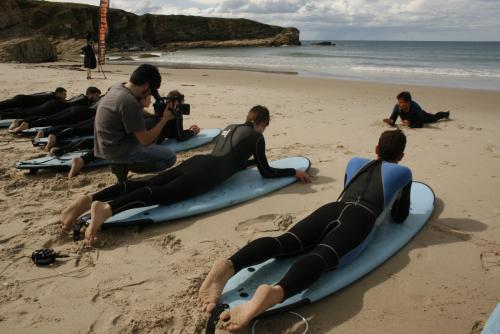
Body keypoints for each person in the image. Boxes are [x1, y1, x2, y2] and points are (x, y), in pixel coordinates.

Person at [198, 129, 412, 331]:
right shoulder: (403, 172)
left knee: (285, 241)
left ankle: (229, 265)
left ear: (376, 148)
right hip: (361, 217)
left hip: (332, 209)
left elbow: (347, 189)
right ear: (401, 155)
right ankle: (274, 293)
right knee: (322, 255)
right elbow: (400, 216)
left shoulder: (355, 162)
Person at [60, 105, 311, 243]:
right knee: (162, 194)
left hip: (199, 162)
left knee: (150, 182)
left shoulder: (230, 127)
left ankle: (90, 200)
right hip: (206, 175)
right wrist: (293, 172)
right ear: (263, 123)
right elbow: (267, 172)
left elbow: (230, 157)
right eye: (266, 126)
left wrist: (243, 165)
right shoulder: (257, 137)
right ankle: (108, 209)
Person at [68, 90, 200, 178]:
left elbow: (170, 133)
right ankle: (85, 160)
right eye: (182, 103)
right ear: (176, 103)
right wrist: (192, 132)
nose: (183, 106)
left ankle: (81, 158)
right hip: (142, 141)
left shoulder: (158, 111)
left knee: (113, 141)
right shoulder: (174, 116)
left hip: (138, 128)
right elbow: (179, 136)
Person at [93, 64, 177, 176]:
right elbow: (145, 140)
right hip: (116, 151)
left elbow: (129, 113)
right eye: (151, 92)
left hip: (105, 144)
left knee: (153, 122)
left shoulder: (118, 87)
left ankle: (121, 165)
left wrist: (153, 116)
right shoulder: (129, 102)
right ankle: (125, 165)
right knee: (170, 157)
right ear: (146, 86)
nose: (150, 95)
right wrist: (164, 119)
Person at [9, 87, 101, 133]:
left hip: (64, 107)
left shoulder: (81, 96)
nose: (97, 97)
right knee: (52, 120)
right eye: (96, 95)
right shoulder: (85, 100)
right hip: (63, 108)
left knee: (46, 117)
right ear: (89, 94)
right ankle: (28, 124)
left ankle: (21, 122)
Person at [383, 91, 450, 128]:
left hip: (422, 116)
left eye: (401, 102)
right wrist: (390, 121)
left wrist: (410, 124)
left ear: (408, 102)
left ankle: (445, 114)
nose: (399, 104)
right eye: (398, 102)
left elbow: (420, 124)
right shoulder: (397, 107)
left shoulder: (416, 107)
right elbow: (393, 120)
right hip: (410, 120)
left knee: (434, 117)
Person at [2, 87, 67, 120]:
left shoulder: (50, 94)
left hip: (21, 98)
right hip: (21, 101)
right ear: (58, 93)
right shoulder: (53, 98)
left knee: (4, 105)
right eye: (64, 94)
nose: (65, 96)